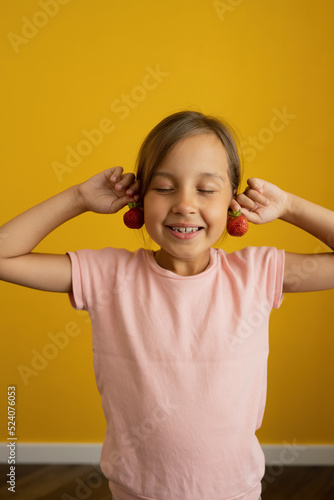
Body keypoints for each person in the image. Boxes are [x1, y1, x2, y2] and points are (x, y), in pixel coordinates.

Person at [1, 110, 333, 500]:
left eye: (206, 190)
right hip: (135, 492)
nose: (184, 204)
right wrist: (77, 198)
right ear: (139, 197)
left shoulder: (257, 273)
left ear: (233, 202)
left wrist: (290, 205)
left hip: (235, 492)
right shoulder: (109, 275)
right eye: (164, 188)